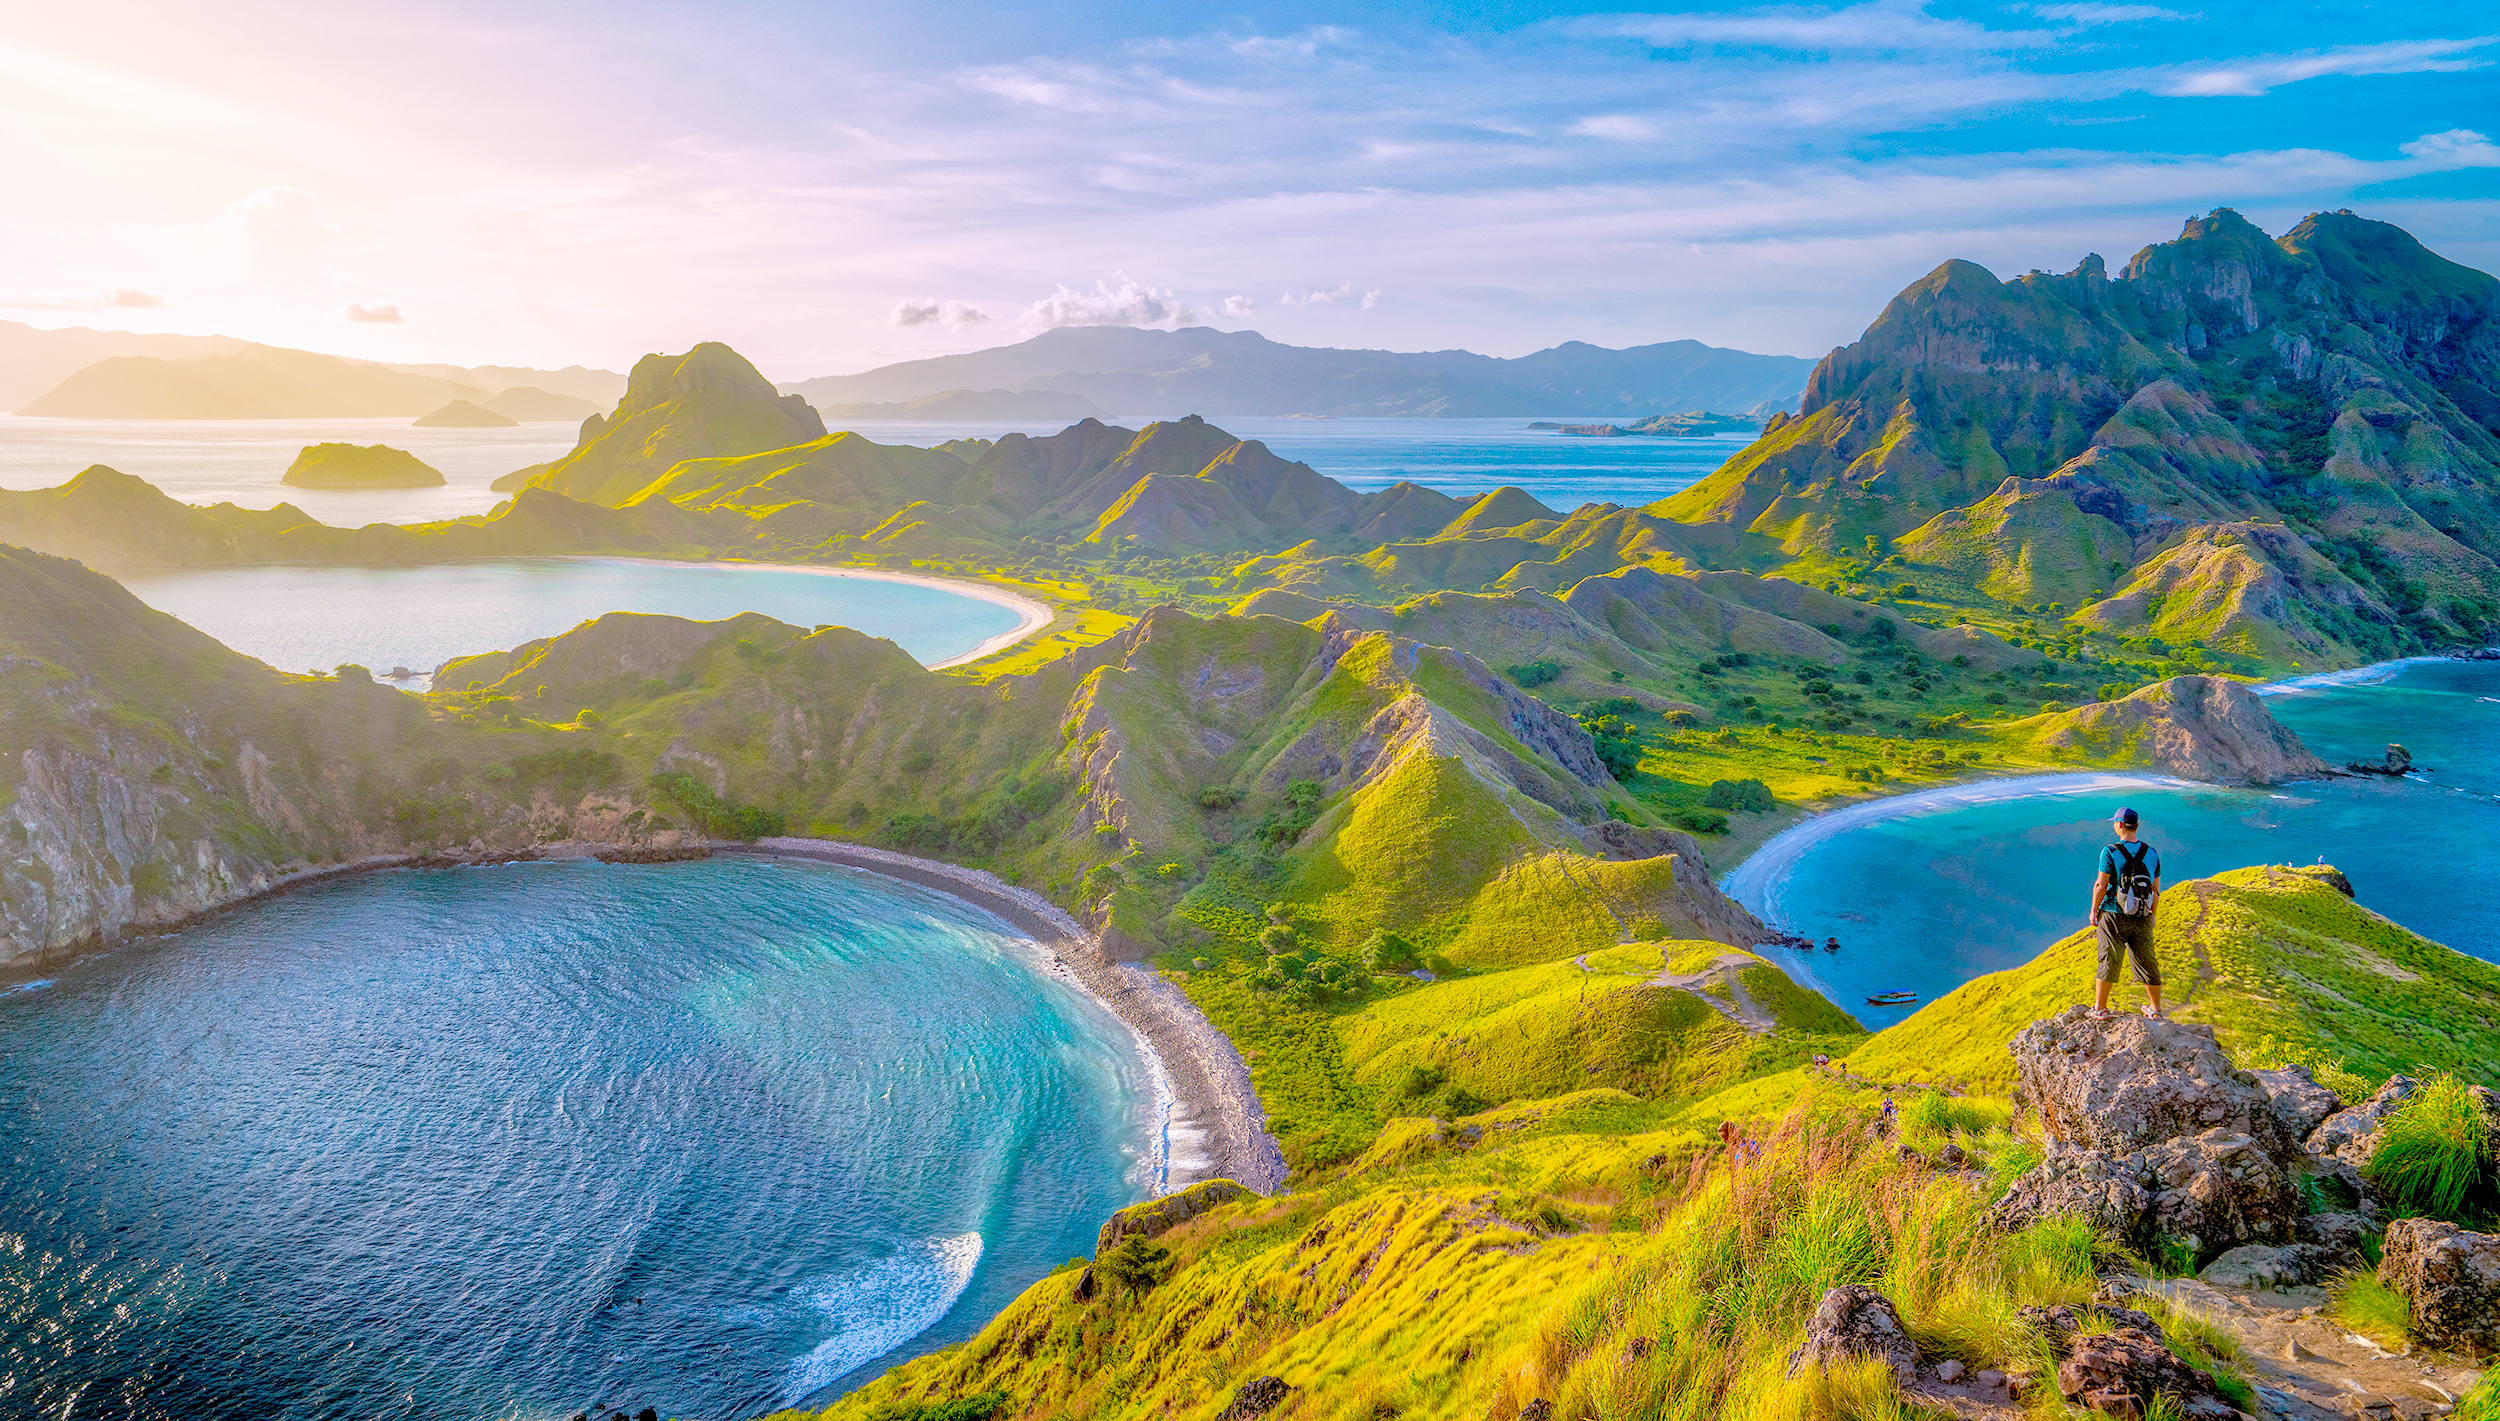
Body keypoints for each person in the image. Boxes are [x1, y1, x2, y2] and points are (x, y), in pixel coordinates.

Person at [2089, 806, 2164, 1020]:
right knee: (2146, 960)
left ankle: (2100, 1009)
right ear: (2136, 826)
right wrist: (2152, 915)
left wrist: (2094, 910)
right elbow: (2155, 890)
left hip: (2113, 913)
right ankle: (2155, 1009)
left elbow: (2101, 885)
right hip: (2141, 914)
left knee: (2109, 958)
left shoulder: (2110, 851)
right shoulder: (2152, 853)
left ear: (2119, 825)